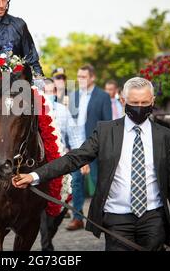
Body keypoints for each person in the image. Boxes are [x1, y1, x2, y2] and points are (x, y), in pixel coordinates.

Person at [13, 77, 170, 251]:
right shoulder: (106, 131)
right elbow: (75, 158)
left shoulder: (165, 137)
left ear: (153, 101)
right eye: (135, 102)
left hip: (153, 219)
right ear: (123, 101)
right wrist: (34, 176)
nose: (140, 107)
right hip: (116, 219)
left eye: (145, 102)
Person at [40, 78, 85, 251]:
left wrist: (82, 160)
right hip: (39, 167)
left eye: (53, 92)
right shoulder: (31, 113)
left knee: (60, 206)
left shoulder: (63, 111)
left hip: (62, 164)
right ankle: (46, 245)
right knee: (43, 208)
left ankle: (49, 234)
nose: (50, 95)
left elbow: (74, 136)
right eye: (47, 92)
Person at [67, 64, 112, 230]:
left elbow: (107, 123)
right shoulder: (73, 96)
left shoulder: (103, 96)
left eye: (84, 77)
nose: (80, 80)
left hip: (95, 146)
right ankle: (77, 217)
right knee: (76, 183)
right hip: (76, 146)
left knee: (98, 182)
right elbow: (69, 122)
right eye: (78, 77)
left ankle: (102, 217)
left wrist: (104, 147)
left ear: (92, 77)